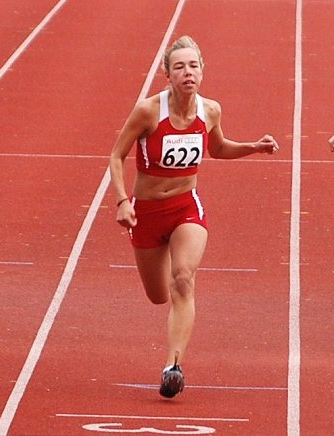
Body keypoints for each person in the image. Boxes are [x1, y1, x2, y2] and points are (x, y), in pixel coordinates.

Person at [109, 35, 278, 399]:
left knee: (183, 279)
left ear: (202, 70)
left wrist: (252, 146)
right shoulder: (148, 111)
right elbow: (116, 155)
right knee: (158, 296)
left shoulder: (210, 110)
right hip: (147, 212)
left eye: (194, 66)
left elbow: (217, 148)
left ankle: (173, 366)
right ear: (167, 74)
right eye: (180, 67)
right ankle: (164, 267)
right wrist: (123, 200)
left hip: (187, 207)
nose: (188, 73)